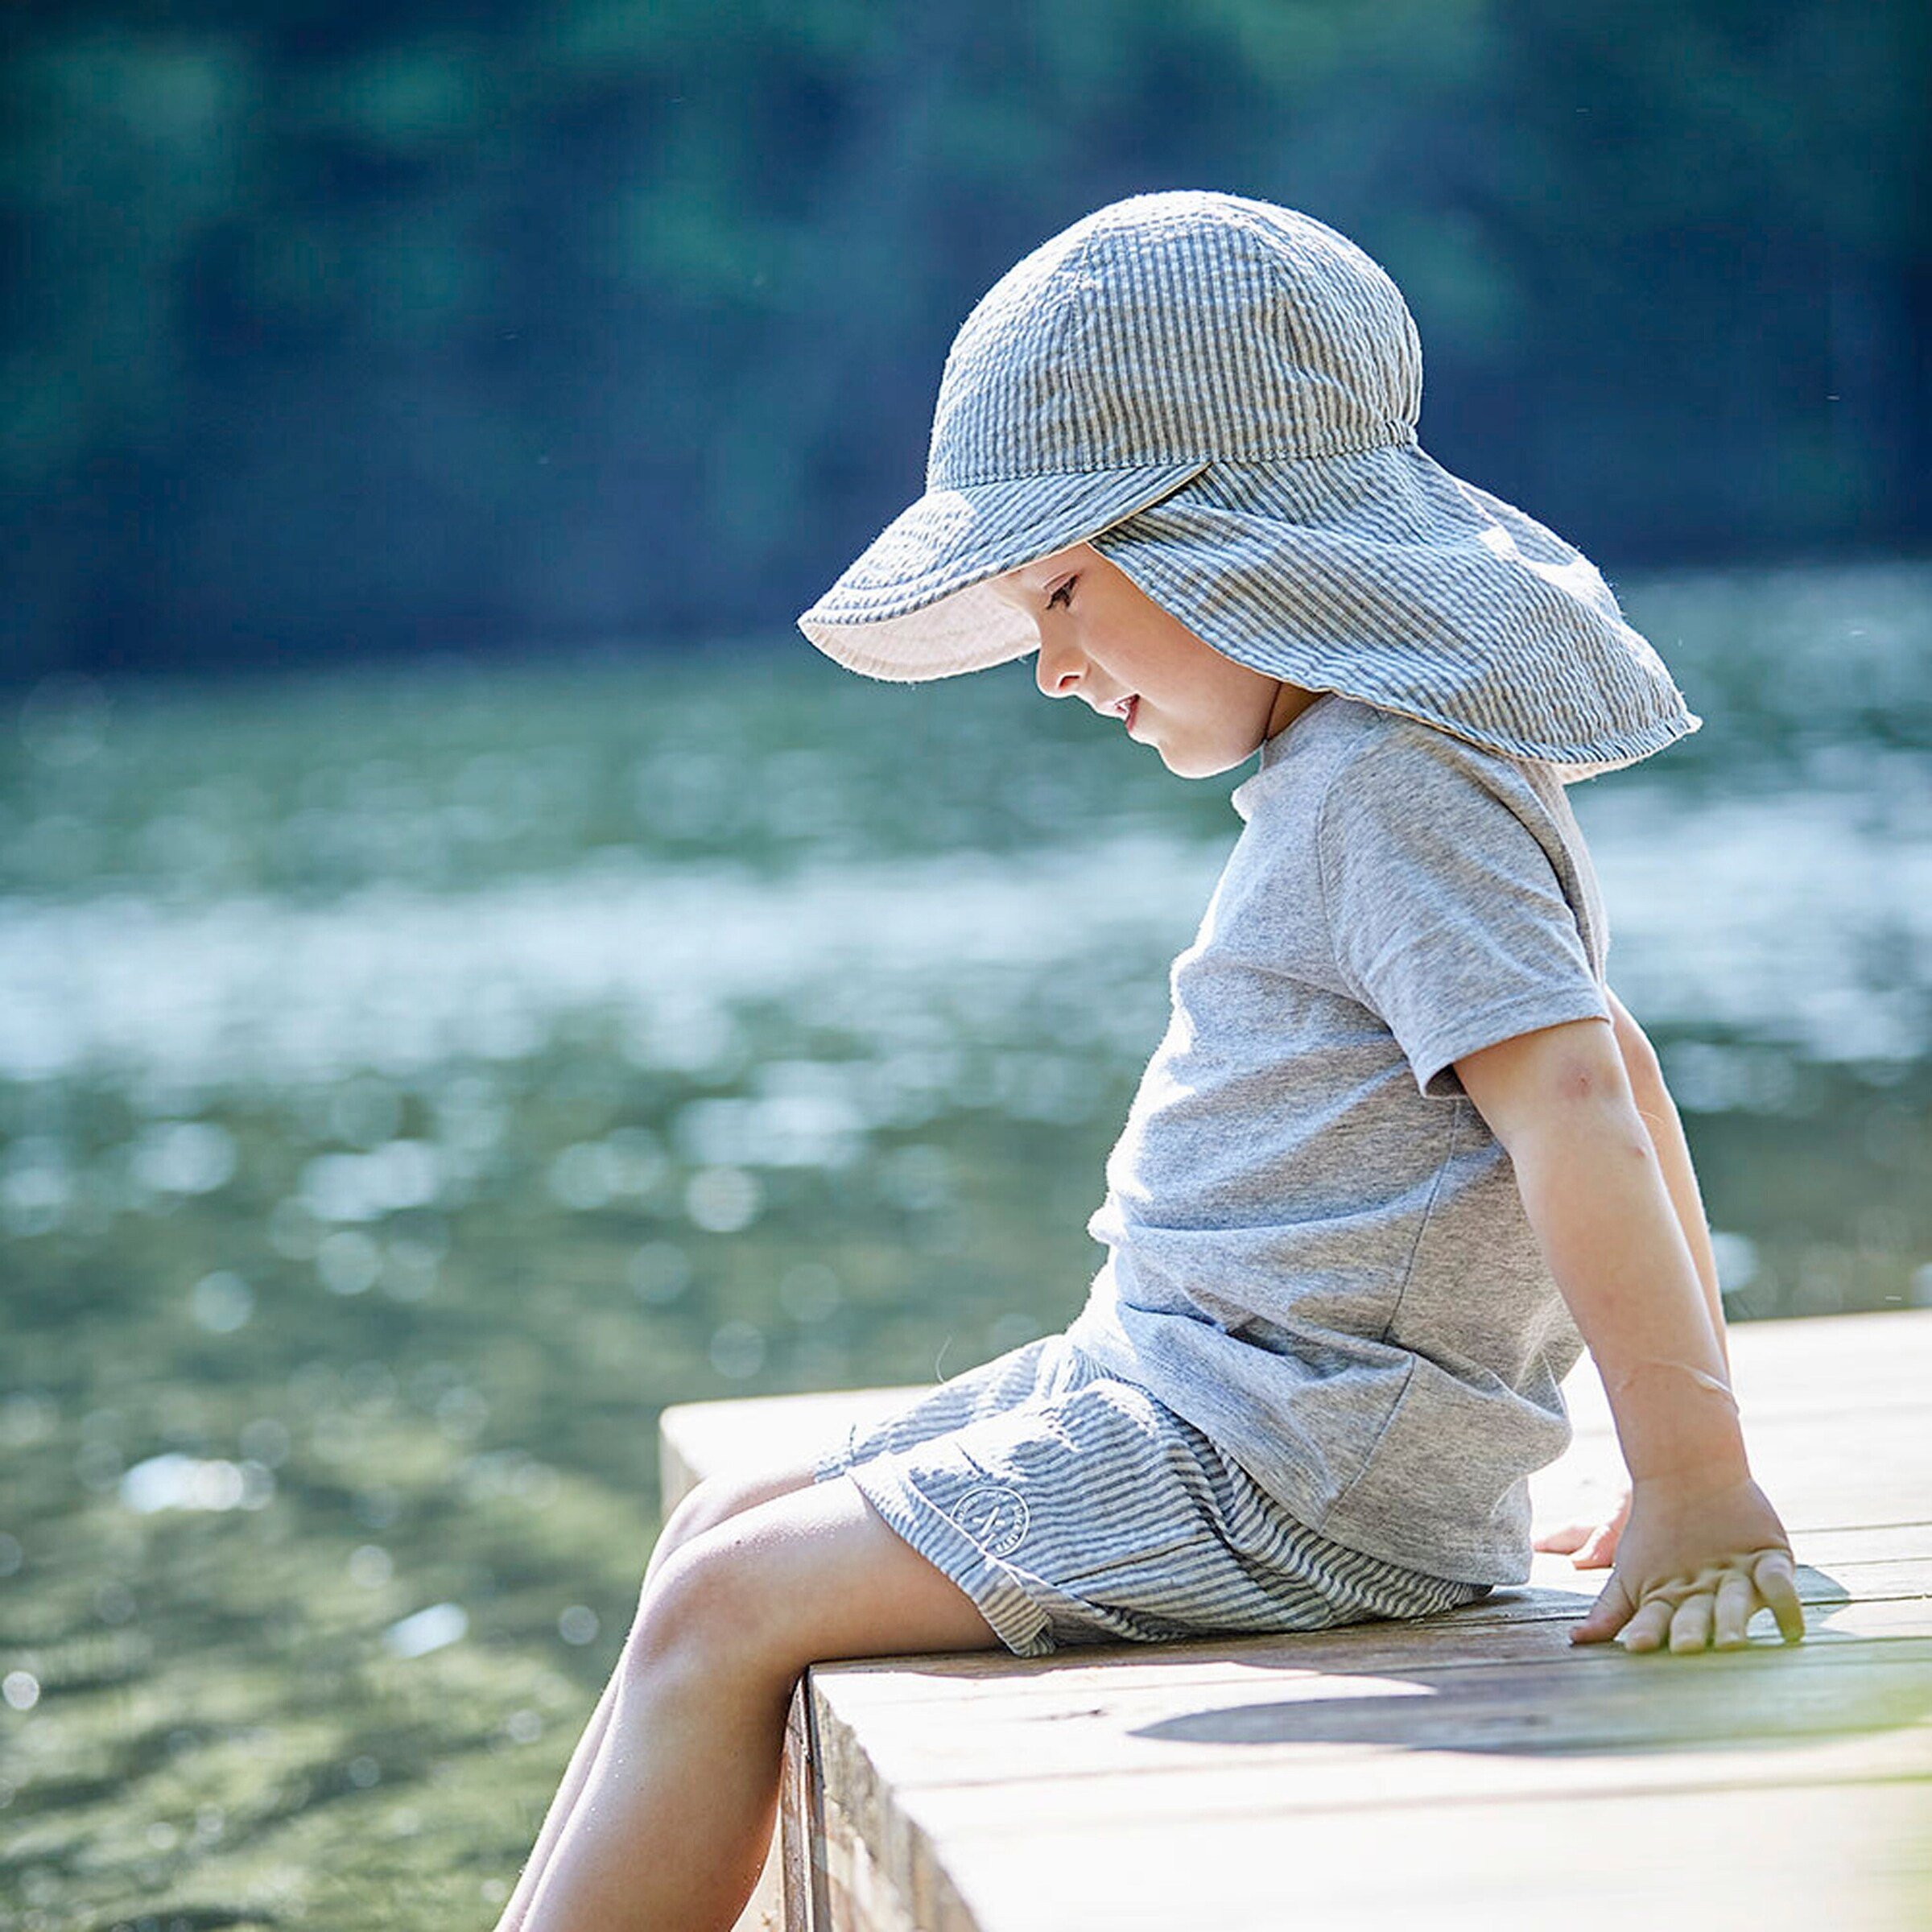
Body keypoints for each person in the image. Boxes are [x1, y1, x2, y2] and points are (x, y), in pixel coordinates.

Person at [495, 190, 1805, 1932]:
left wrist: (1700, 1482)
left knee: (730, 1607)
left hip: (1285, 1460)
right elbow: (1619, 1073)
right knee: (723, 1526)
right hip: (1200, 1390)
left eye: (1062, 589)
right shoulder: (1363, 768)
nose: (1046, 667)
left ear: (1232, 545)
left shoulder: (1395, 785)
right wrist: (1661, 1464)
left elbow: (1580, 1101)